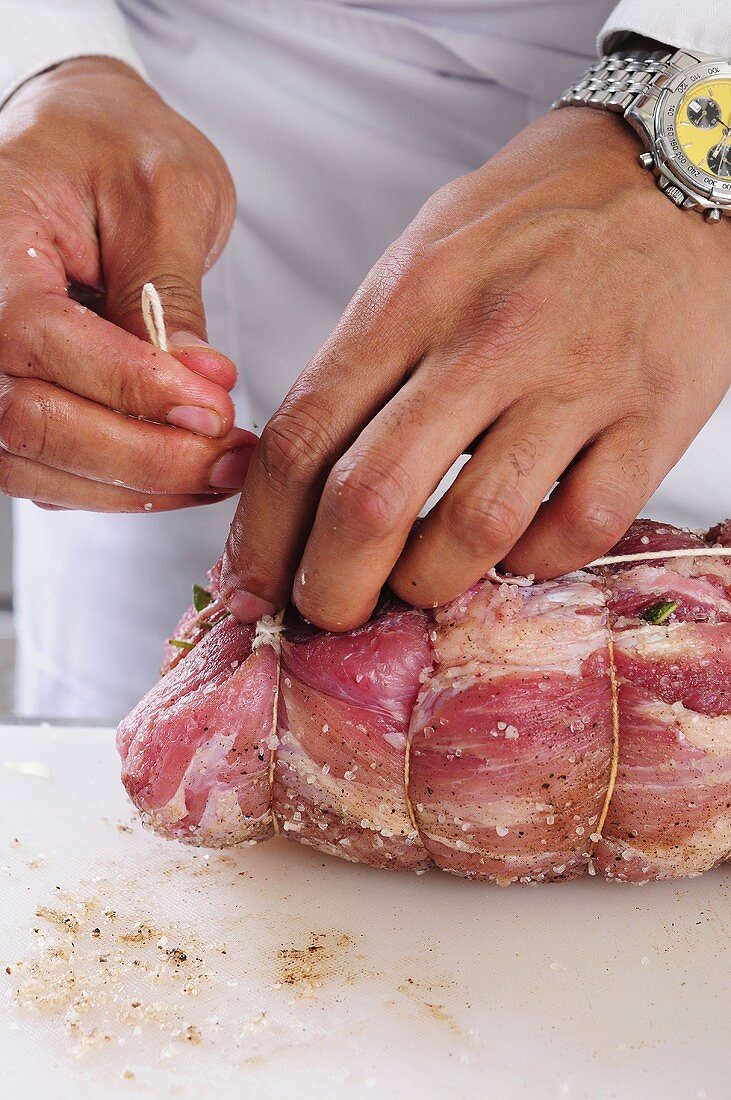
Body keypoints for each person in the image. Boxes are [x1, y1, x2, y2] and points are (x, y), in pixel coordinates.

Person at [0, 0, 729, 720]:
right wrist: (39, 67)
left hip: (678, 131)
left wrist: (689, 133)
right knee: (165, 775)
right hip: (171, 102)